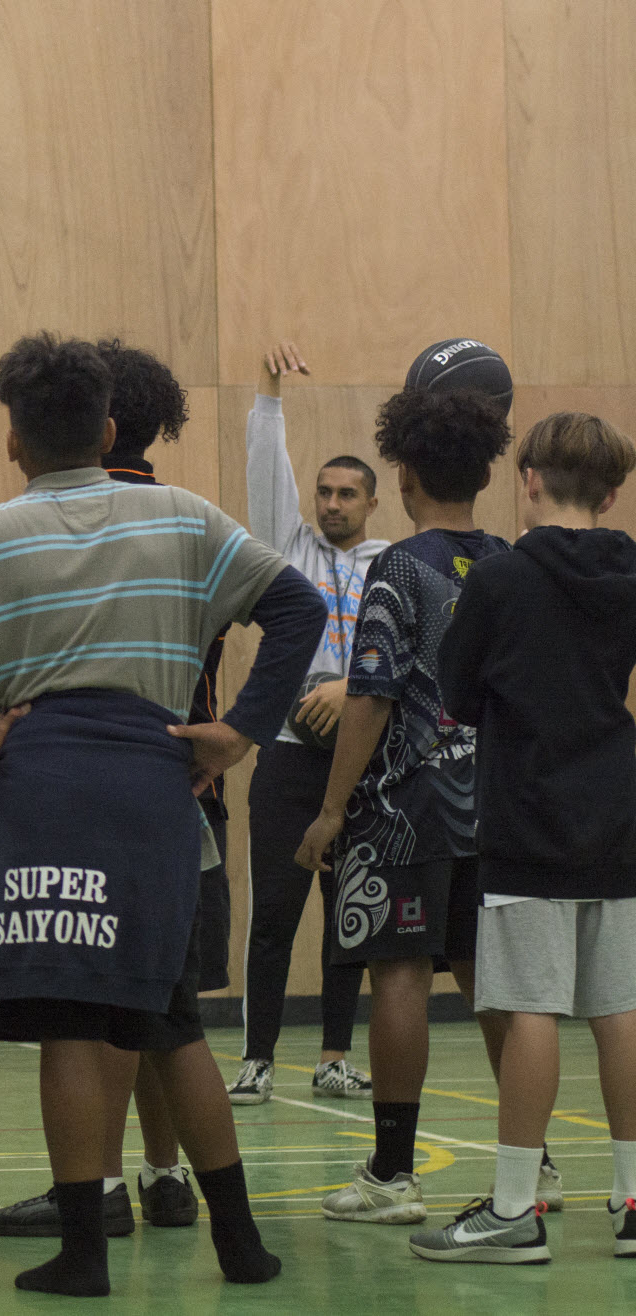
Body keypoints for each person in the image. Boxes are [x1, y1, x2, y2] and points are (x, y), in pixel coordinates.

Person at [0, 333, 318, 1295]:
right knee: (171, 1020)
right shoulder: (185, 520)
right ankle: (239, 1244)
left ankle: (82, 1253)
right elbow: (299, 611)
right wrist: (237, 730)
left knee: (73, 1022)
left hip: (46, 792)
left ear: (14, 443)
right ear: (109, 429)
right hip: (156, 783)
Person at [0, 340, 228, 1239]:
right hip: (187, 779)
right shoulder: (188, 514)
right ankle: (165, 1177)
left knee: (112, 1001)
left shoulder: (76, 513)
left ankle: (105, 1184)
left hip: (100, 788)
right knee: (165, 1003)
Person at [413, 412, 636, 1263]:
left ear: (528, 481)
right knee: (619, 1005)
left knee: (530, 1003)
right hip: (618, 812)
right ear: (613, 492)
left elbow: (457, 693)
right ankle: (632, 1198)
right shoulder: (631, 571)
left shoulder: (501, 579)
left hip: (528, 814)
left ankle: (514, 1210)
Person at [296, 388, 513, 1225]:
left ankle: (392, 1173)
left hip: (404, 809)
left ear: (406, 469)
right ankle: (540, 1160)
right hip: (485, 808)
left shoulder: (399, 568)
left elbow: (372, 696)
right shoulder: (503, 561)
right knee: (488, 981)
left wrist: (330, 808)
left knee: (399, 974)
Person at [233, 341, 385, 1104]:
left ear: (371, 504)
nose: (329, 503)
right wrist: (269, 393)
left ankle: (332, 1057)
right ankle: (258, 1059)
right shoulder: (286, 550)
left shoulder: (393, 564)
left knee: (348, 918)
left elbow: (412, 653)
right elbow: (267, 473)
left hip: (364, 763)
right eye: (323, 491)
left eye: (345, 494)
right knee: (275, 915)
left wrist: (350, 687)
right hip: (290, 759)